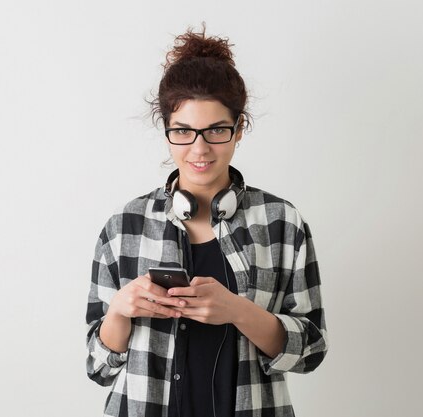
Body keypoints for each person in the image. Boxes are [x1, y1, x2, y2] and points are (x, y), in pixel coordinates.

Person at [86, 24, 328, 417]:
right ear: (166, 132)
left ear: (239, 129)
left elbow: (311, 351)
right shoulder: (124, 226)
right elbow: (98, 366)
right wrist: (119, 309)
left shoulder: (282, 222)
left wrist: (237, 310)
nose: (199, 149)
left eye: (216, 130)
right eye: (183, 131)